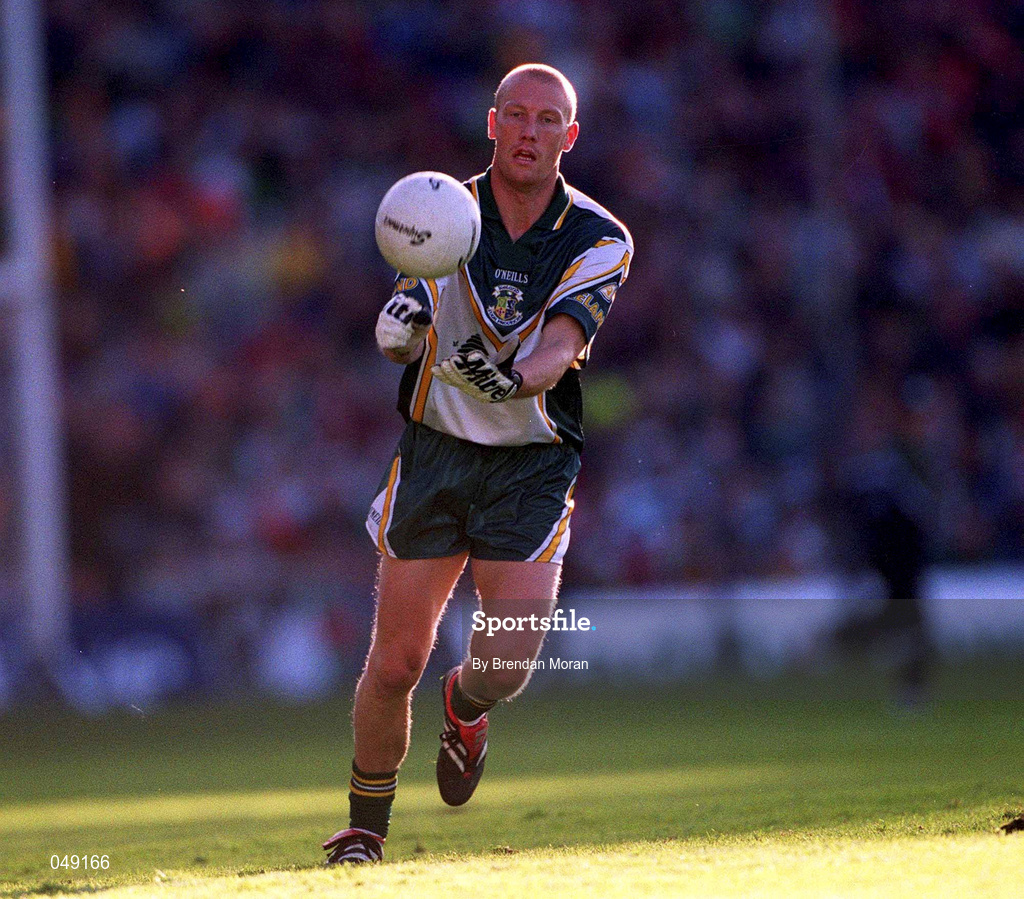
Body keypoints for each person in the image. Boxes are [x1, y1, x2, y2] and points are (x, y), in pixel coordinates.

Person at [322, 63, 633, 864]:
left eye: (548, 119)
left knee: (506, 665)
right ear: (492, 125)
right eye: (516, 116)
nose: (531, 132)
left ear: (571, 136)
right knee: (395, 661)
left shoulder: (600, 236)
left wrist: (513, 377)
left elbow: (563, 345)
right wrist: (400, 323)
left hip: (531, 462)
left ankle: (466, 705)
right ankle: (365, 826)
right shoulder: (438, 205)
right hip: (436, 452)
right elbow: (413, 297)